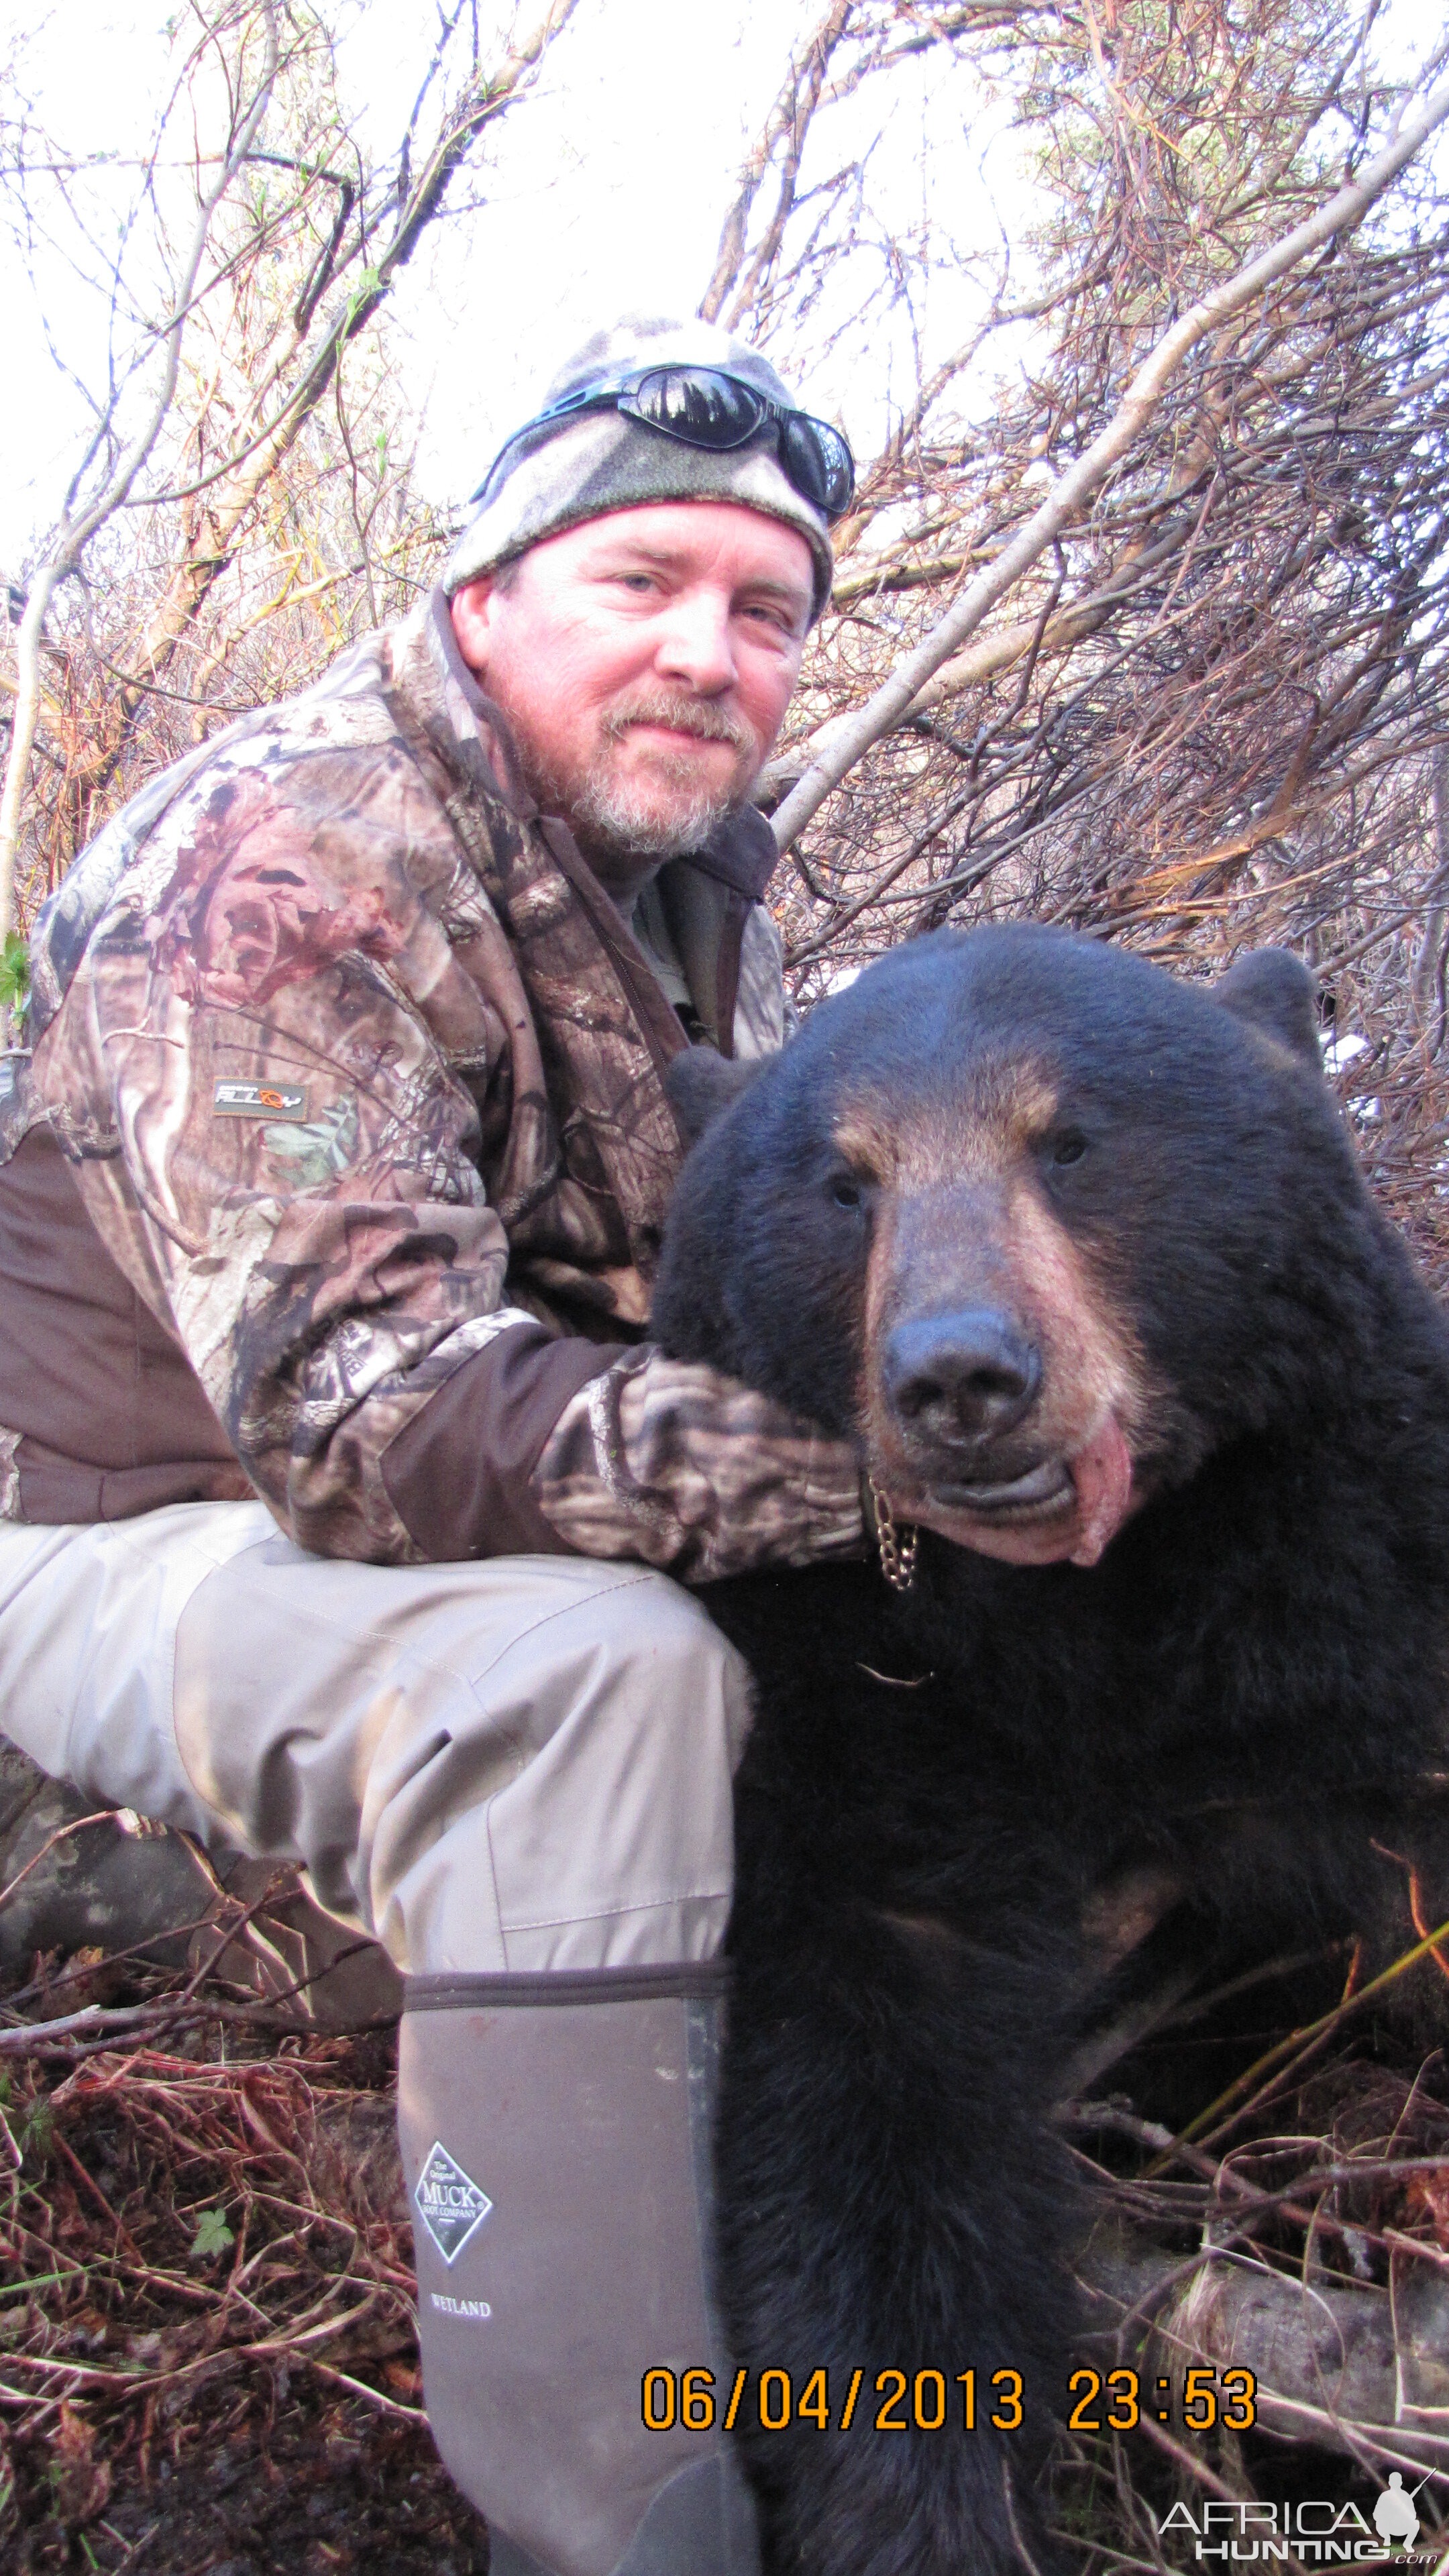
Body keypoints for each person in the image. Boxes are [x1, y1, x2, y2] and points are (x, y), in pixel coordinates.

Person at [0, 316, 870, 2576]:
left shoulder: (692, 896)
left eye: (764, 610)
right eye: (642, 580)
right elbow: (365, 1423)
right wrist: (880, 1489)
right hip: (121, 1537)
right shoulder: (284, 851)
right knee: (595, 1680)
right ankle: (624, 2517)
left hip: (401, 1536)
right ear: (486, 595)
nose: (709, 649)